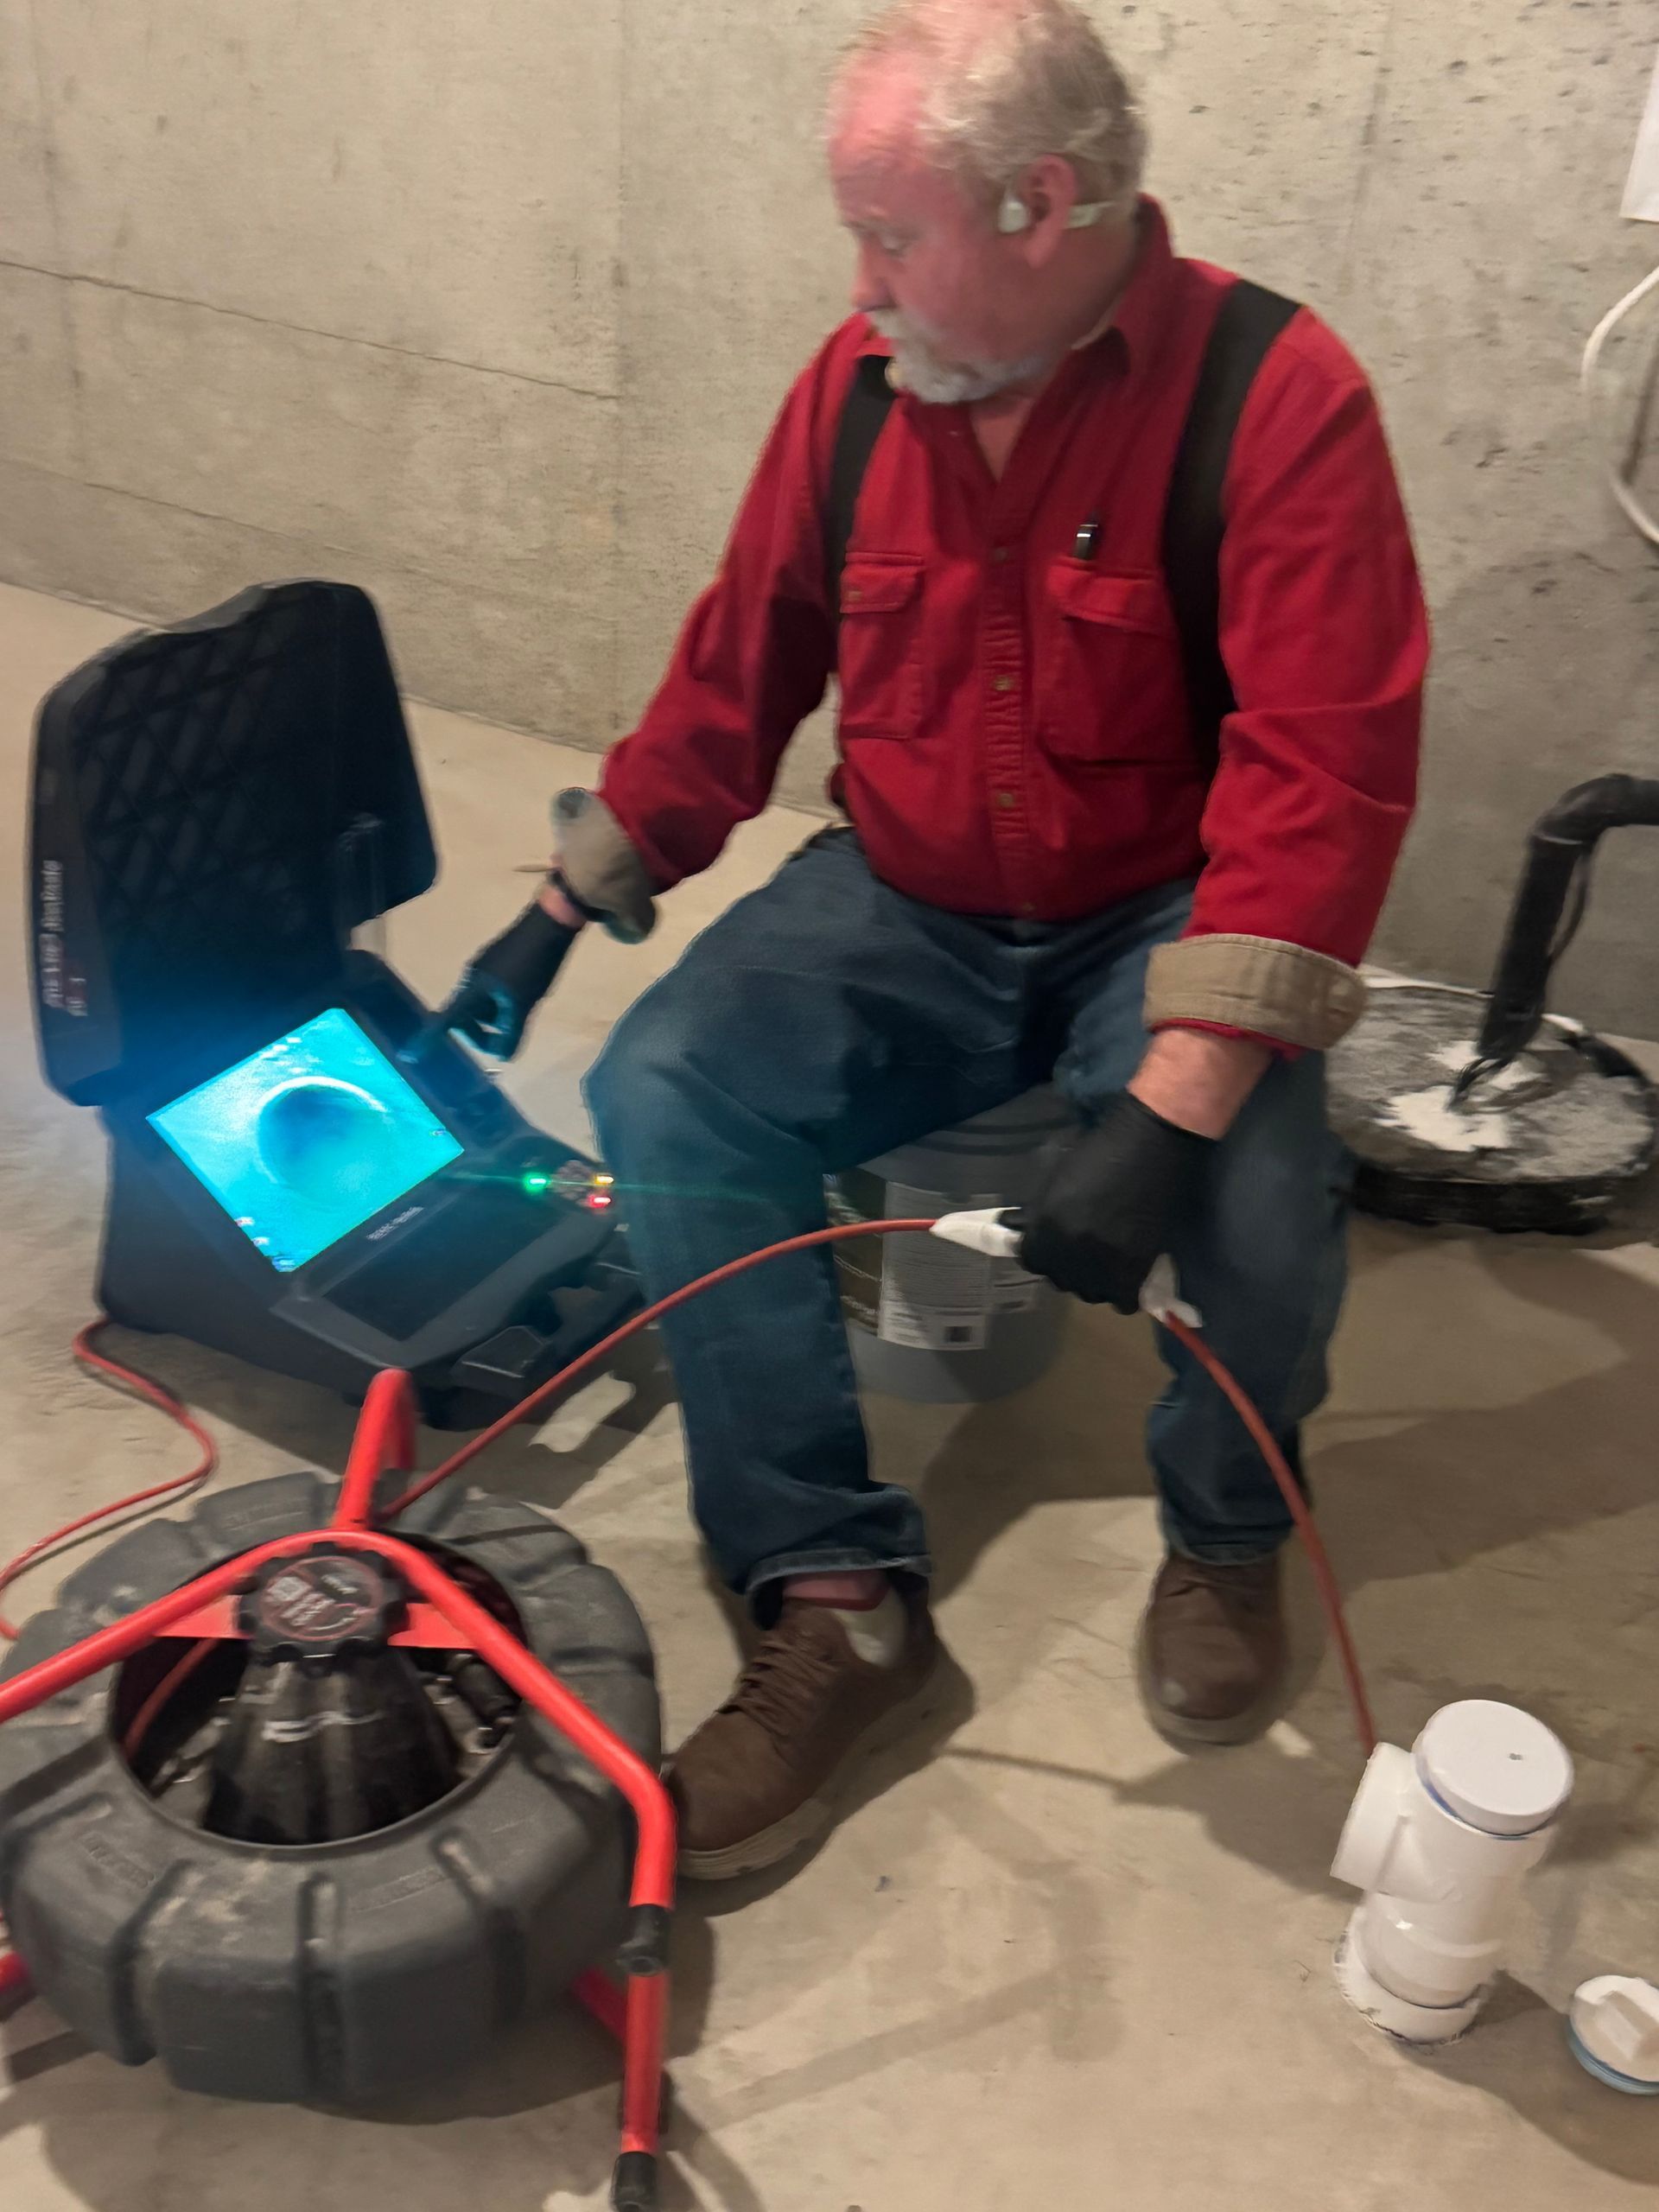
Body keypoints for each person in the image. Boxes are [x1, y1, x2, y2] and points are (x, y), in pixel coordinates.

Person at [439, 0, 1427, 1880]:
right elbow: (745, 659)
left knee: (1269, 1206)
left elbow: (1328, 765)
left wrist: (1181, 1093)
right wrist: (569, 896)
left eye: (890, 231)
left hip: (1162, 905)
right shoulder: (860, 385)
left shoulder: (1277, 398)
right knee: (667, 1087)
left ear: (1043, 202)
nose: (861, 275)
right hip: (904, 893)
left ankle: (1226, 1529)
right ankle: (833, 1597)